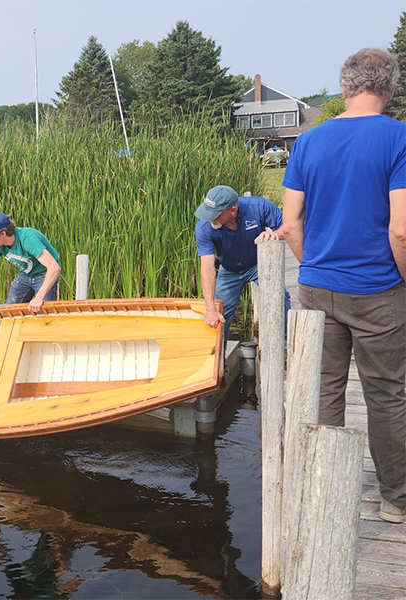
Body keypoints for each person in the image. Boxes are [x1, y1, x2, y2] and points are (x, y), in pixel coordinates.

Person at [282, 48, 406, 524]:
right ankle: (395, 498)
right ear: (390, 88)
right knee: (385, 394)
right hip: (378, 288)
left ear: (344, 88)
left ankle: (328, 492)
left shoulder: (308, 141)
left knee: (325, 391)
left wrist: (313, 266)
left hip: (316, 287)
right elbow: (400, 230)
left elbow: (292, 224)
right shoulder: (398, 139)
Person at [194, 185, 291, 340]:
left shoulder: (258, 207)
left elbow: (287, 228)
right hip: (229, 269)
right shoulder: (204, 227)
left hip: (258, 265)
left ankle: (284, 346)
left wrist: (274, 234)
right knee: (219, 313)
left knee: (280, 298)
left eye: (215, 214)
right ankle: (219, 360)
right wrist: (210, 308)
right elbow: (207, 269)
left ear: (232, 211)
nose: (210, 218)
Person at [0, 213, 60, 316]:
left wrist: (39, 298)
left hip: (44, 273)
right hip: (26, 274)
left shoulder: (28, 240)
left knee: (44, 312)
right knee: (10, 312)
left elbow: (54, 268)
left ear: (3, 233)